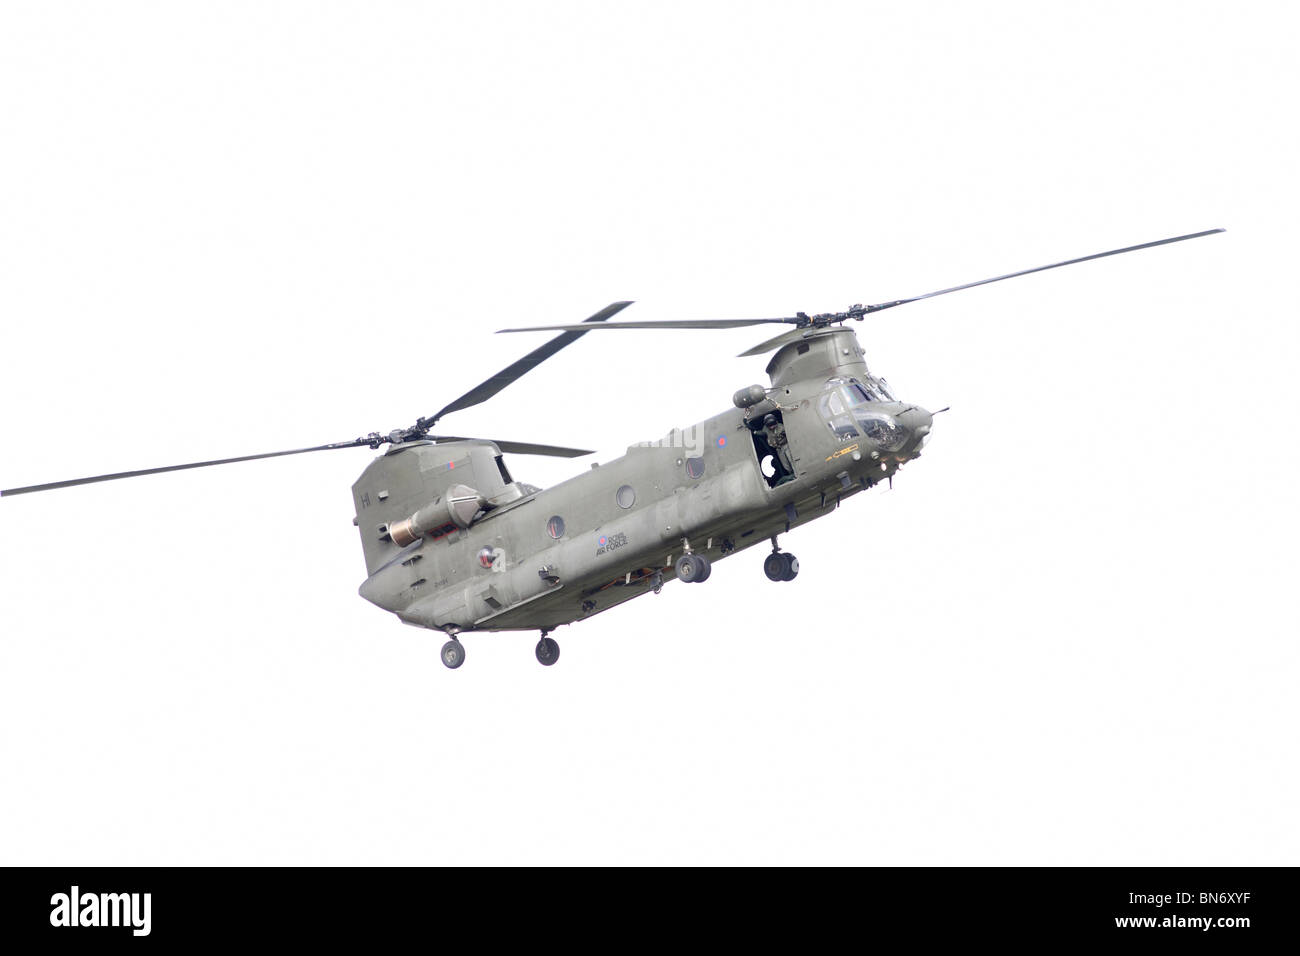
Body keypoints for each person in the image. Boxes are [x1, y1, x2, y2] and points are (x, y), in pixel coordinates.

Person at [763, 414, 794, 478]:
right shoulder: (766, 430)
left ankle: (795, 472)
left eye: (773, 424)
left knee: (791, 459)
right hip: (778, 449)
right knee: (785, 465)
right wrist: (754, 431)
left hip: (785, 445)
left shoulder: (781, 426)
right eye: (770, 425)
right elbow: (761, 433)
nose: (772, 427)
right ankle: (791, 474)